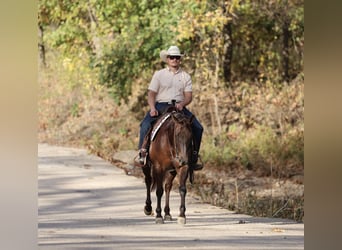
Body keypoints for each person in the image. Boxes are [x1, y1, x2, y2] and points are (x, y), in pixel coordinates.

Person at [136, 45, 203, 171]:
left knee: (198, 128)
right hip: (161, 105)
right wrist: (152, 107)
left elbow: (188, 96)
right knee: (145, 124)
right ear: (167, 59)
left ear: (180, 59)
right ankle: (142, 153)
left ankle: (194, 157)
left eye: (177, 57)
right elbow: (151, 93)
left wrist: (182, 104)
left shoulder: (185, 76)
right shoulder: (159, 74)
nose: (174, 60)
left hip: (178, 106)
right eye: (172, 57)